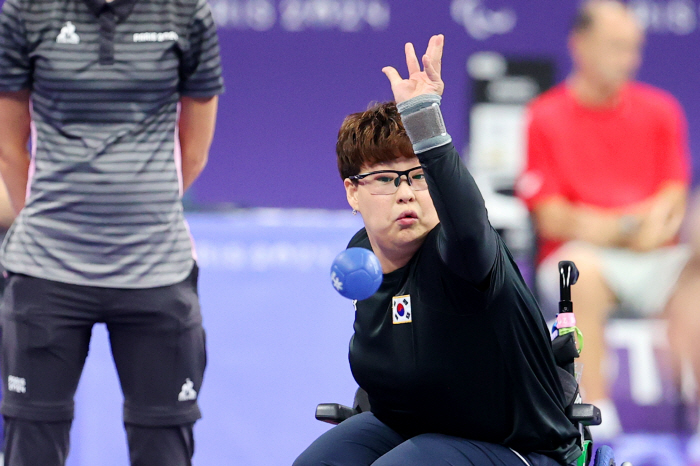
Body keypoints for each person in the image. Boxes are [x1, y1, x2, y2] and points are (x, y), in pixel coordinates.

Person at [294, 34, 581, 466]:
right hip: (417, 424)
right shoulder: (363, 256)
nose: (406, 193)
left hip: (520, 446)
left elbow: (467, 223)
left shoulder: (461, 254)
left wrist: (425, 121)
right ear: (352, 192)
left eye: (417, 176)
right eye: (387, 179)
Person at [0, 0, 224, 463]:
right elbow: (8, 144)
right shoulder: (25, 11)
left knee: (164, 451)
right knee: (30, 452)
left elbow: (195, 150)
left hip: (156, 272)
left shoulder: (187, 12)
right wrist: (54, 219)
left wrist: (141, 211)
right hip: (46, 271)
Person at [517, 0, 697, 439]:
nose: (628, 61)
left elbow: (673, 201)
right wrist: (629, 227)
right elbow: (553, 218)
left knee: (696, 278)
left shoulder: (662, 110)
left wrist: (648, 226)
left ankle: (695, 417)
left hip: (655, 261)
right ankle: (598, 417)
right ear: (579, 46)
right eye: (616, 47)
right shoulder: (544, 115)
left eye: (633, 48)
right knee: (582, 273)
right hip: (578, 262)